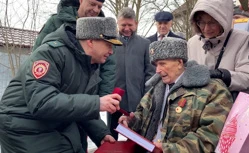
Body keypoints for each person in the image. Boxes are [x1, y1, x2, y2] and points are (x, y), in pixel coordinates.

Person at [0, 17, 122, 153]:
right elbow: (42, 102)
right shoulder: (50, 54)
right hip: (21, 125)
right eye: (109, 45)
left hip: (53, 122)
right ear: (91, 41)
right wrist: (96, 103)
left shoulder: (90, 65)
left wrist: (101, 134)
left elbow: (81, 106)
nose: (111, 52)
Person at [119, 37, 233, 153]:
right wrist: (131, 122)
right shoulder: (156, 88)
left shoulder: (213, 90)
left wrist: (170, 150)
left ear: (179, 62)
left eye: (162, 64)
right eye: (156, 64)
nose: (157, 70)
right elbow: (142, 115)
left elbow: (210, 136)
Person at [33, 0, 115, 97]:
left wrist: (103, 99)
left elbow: (108, 68)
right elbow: (37, 55)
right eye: (92, 4)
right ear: (81, 1)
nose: (96, 10)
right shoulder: (56, 21)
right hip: (59, 94)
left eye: (99, 7)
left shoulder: (103, 29)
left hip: (89, 97)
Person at [187, 0, 249, 98]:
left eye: (212, 23)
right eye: (201, 22)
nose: (206, 29)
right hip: (200, 107)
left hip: (233, 105)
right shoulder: (192, 43)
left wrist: (223, 75)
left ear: (224, 20)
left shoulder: (242, 39)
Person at [107, 7, 155, 140]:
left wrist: (146, 95)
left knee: (136, 138)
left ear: (136, 23)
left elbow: (150, 72)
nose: (127, 28)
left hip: (137, 100)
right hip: (114, 100)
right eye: (123, 25)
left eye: (130, 25)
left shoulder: (145, 44)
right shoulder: (110, 43)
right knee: (111, 135)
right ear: (118, 23)